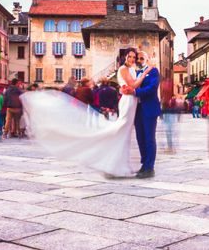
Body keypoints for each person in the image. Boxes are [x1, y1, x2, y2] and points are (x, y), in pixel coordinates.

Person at [21, 48, 153, 177]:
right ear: (124, 57)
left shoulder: (131, 69)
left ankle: (118, 165)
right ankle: (111, 163)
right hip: (128, 102)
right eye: (129, 56)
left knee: (124, 134)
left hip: (132, 101)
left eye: (134, 57)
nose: (132, 59)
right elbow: (134, 85)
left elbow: (133, 85)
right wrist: (146, 71)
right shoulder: (123, 69)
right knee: (119, 130)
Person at [121, 50, 161, 179]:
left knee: (149, 139)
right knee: (140, 139)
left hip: (149, 109)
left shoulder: (153, 71)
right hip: (137, 110)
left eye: (141, 58)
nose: (138, 60)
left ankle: (150, 168)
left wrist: (135, 92)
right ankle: (144, 165)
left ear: (147, 59)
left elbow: (152, 88)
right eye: (137, 58)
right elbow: (129, 84)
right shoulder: (136, 73)